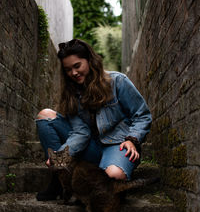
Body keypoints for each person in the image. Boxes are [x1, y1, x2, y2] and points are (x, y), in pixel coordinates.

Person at [35, 38, 152, 201]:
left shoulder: (117, 81)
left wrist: (133, 139)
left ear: (89, 60)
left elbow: (142, 115)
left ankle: (109, 168)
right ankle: (59, 178)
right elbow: (80, 133)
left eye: (77, 66)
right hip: (90, 147)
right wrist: (61, 155)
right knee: (45, 115)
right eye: (68, 69)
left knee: (112, 177)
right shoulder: (72, 94)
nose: (73, 73)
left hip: (117, 145)